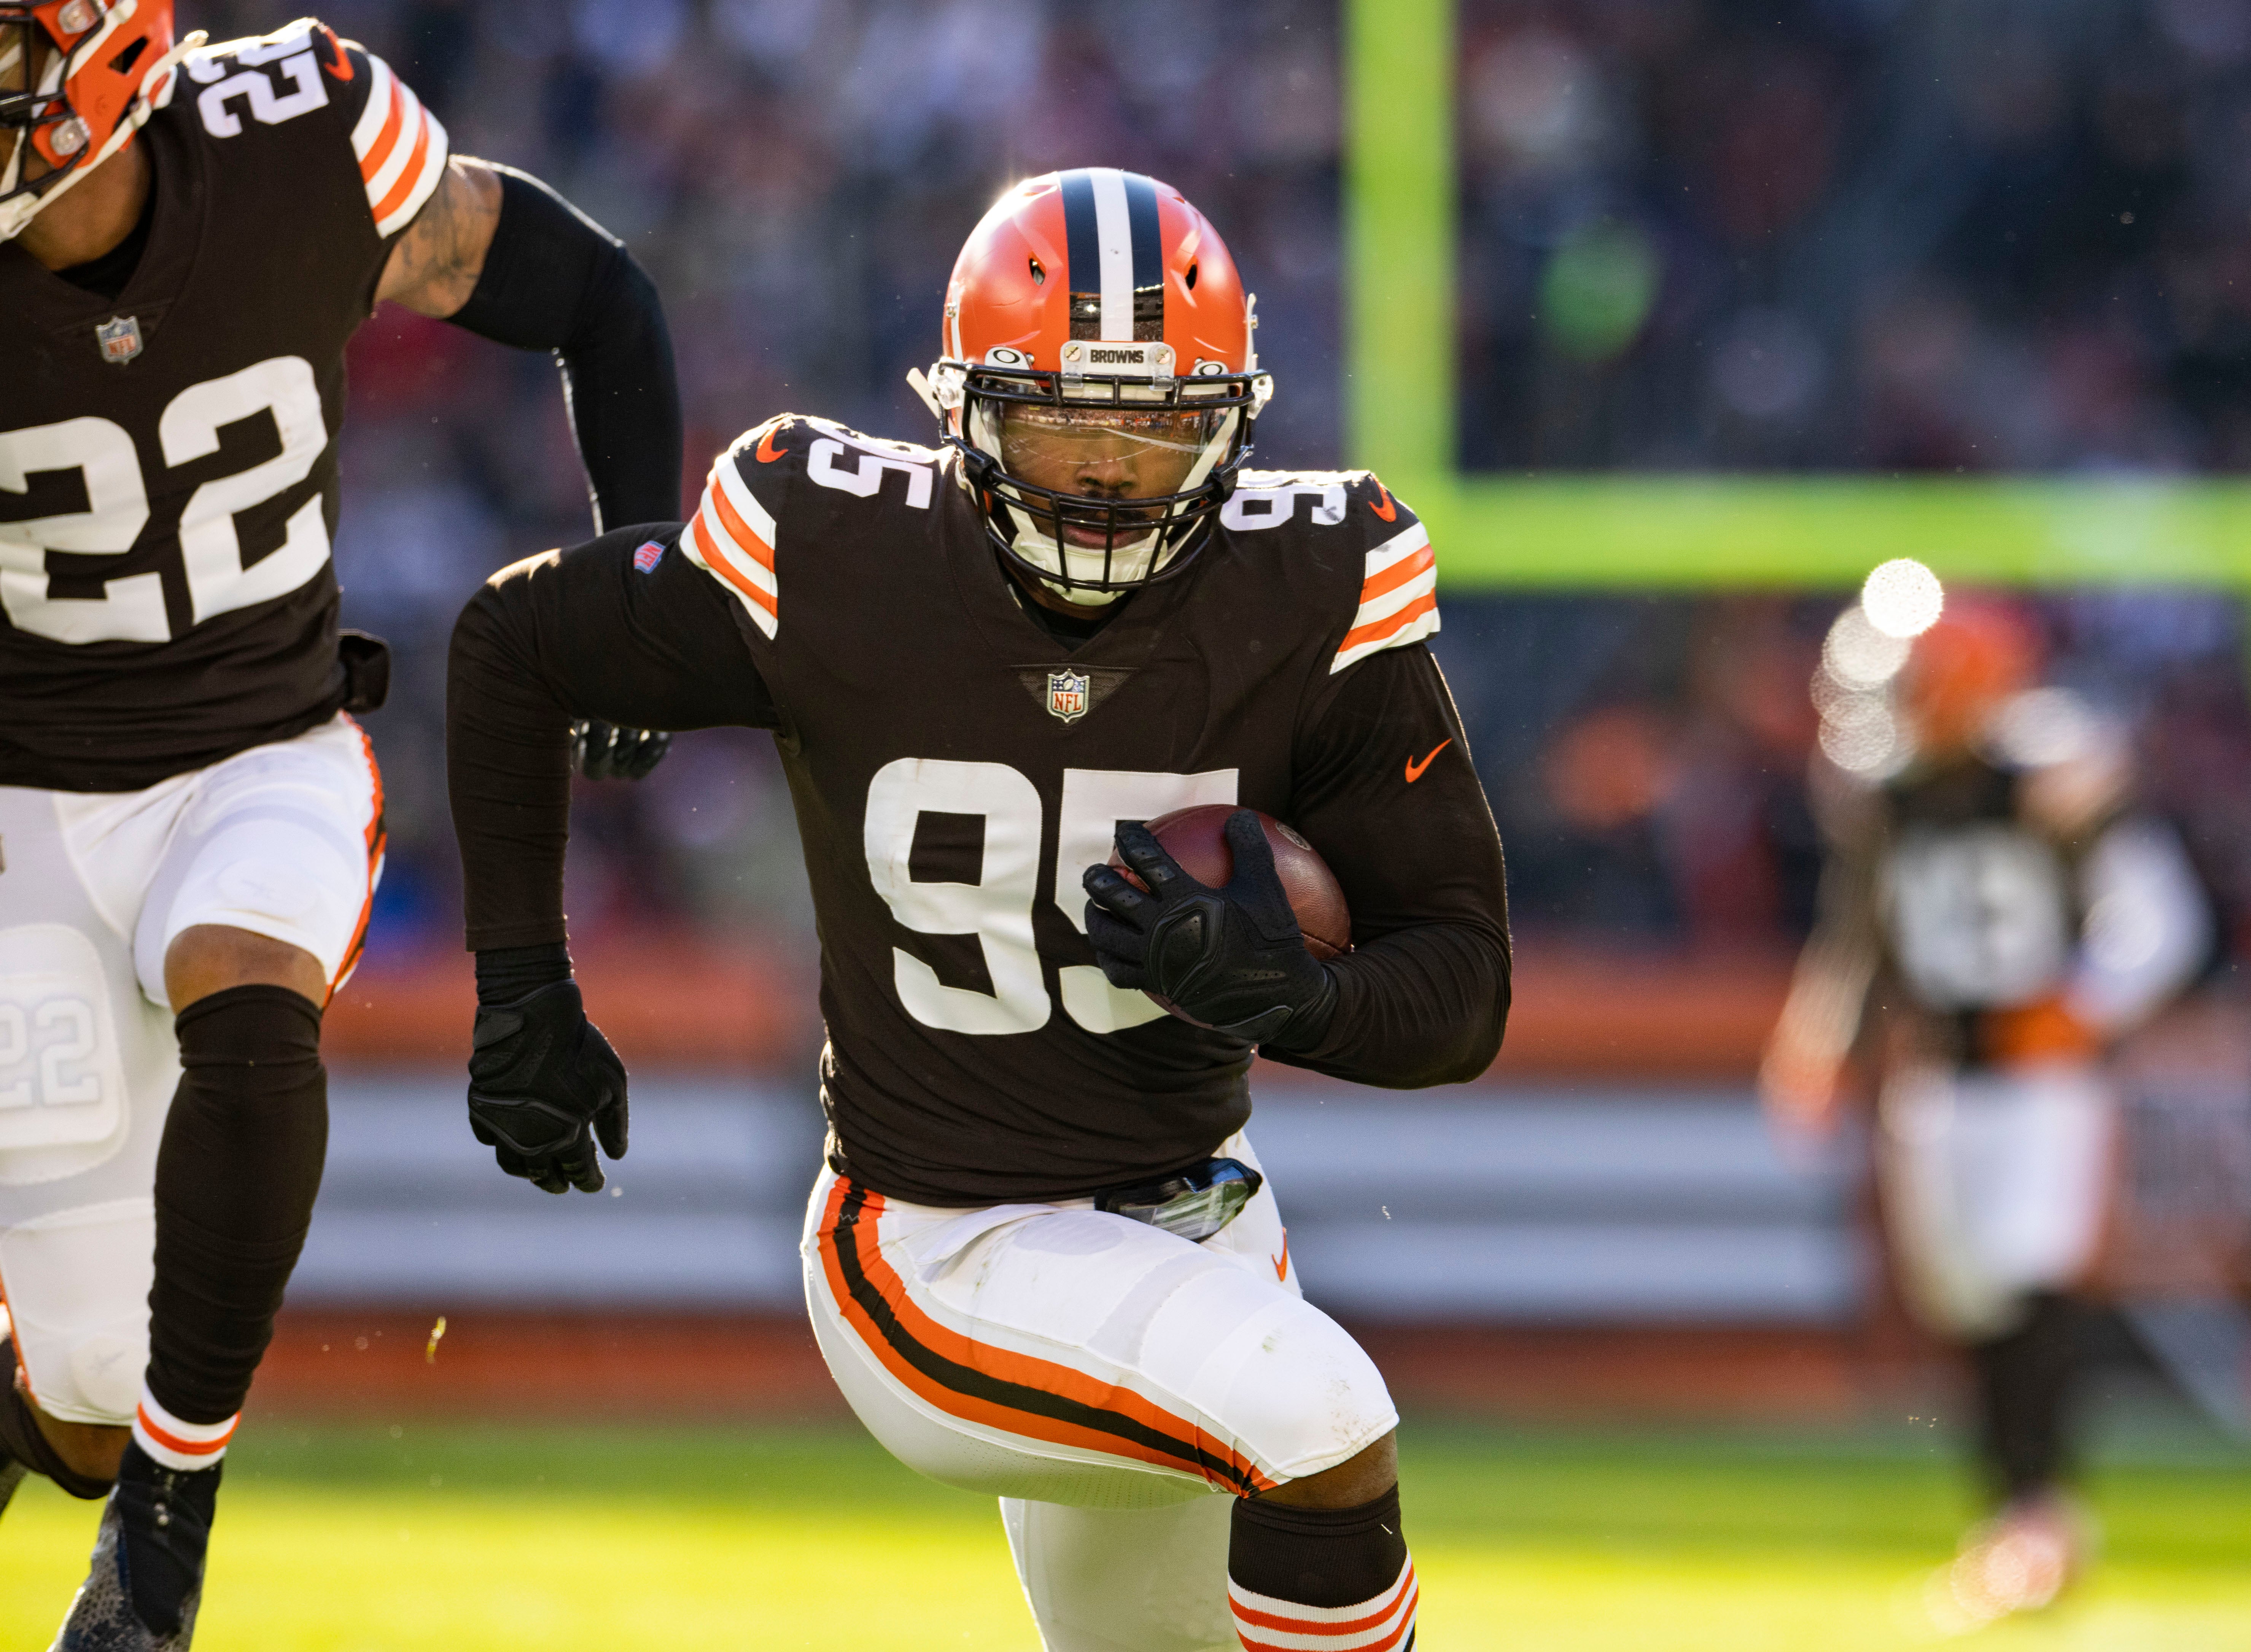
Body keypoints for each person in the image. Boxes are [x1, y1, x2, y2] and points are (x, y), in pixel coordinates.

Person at [447, 168, 1511, 1652]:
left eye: (1153, 433)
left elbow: (1463, 987)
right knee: (1323, 1415)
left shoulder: (1310, 577)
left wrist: (1297, 1000)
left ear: (1231, 427)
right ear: (964, 411)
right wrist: (524, 988)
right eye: (1064, 423)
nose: (1103, 480)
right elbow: (514, 644)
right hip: (935, 1239)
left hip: (1197, 1220)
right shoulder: (831, 540)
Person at [0, 5, 679, 1644]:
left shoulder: (300, 140)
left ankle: (166, 1541)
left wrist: (641, 585)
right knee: (84, 1397)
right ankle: (111, 1462)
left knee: (251, 993)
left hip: (263, 749)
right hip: (24, 795)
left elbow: (601, 294)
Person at [1762, 595, 2210, 1623]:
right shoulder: (1885, 793)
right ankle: (2014, 1519)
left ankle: (2040, 1522)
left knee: (2028, 1272)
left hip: (2041, 1077)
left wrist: (2084, 1004)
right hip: (1935, 1077)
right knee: (1967, 1298)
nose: (1903, 701)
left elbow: (2159, 919)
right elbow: (1861, 931)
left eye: (1921, 678)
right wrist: (1823, 1040)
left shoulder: (2053, 776)